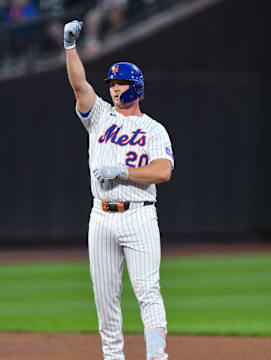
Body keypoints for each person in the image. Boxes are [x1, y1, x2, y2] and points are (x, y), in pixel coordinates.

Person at [64, 20, 173, 360]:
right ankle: (113, 358)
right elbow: (80, 84)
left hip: (139, 215)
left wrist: (123, 172)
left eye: (121, 82)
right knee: (105, 297)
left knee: (148, 291)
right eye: (112, 83)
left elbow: (163, 171)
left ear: (136, 86)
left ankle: (157, 355)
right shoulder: (98, 116)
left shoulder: (153, 129)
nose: (114, 88)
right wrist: (70, 48)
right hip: (101, 215)